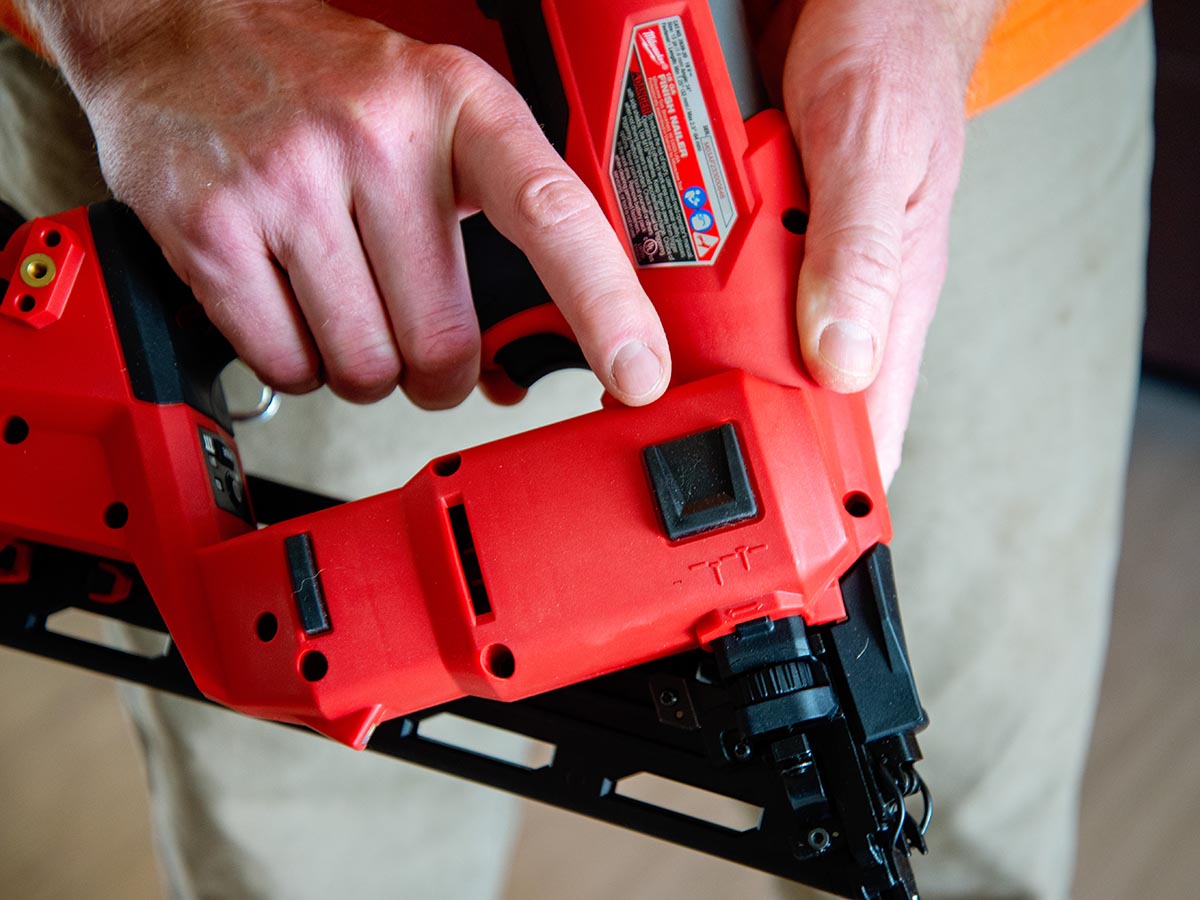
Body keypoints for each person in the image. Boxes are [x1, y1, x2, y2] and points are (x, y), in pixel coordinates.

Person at [0, 1, 1152, 898]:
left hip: (963, 72)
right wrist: (144, 31)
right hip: (252, 106)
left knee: (965, 815)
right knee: (313, 831)